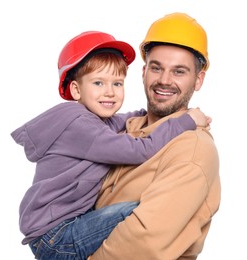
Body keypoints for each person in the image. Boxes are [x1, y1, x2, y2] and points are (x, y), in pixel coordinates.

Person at [11, 30, 210, 259]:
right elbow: (138, 150)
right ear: (76, 89)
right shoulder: (80, 126)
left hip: (59, 227)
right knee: (136, 212)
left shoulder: (91, 119)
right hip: (56, 235)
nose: (110, 92)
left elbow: (122, 119)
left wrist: (151, 117)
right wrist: (186, 121)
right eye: (98, 82)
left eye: (117, 83)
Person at [87, 13, 221, 260]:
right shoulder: (124, 128)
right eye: (156, 68)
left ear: (198, 79)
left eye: (179, 71)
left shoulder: (191, 150)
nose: (164, 81)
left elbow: (143, 243)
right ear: (144, 71)